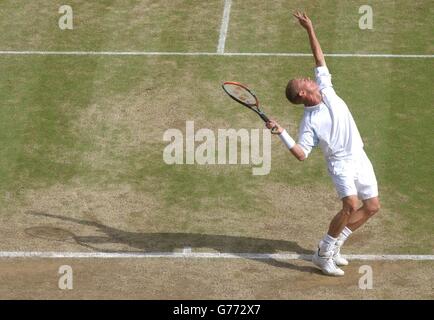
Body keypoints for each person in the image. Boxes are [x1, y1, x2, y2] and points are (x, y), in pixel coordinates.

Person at [266, 12, 380, 276]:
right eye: (304, 82)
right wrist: (282, 131)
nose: (309, 78)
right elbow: (302, 154)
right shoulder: (309, 123)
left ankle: (337, 243)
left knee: (372, 206)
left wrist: (310, 28)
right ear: (303, 94)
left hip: (359, 156)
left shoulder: (325, 88)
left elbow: (319, 57)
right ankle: (323, 252)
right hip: (340, 163)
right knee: (350, 204)